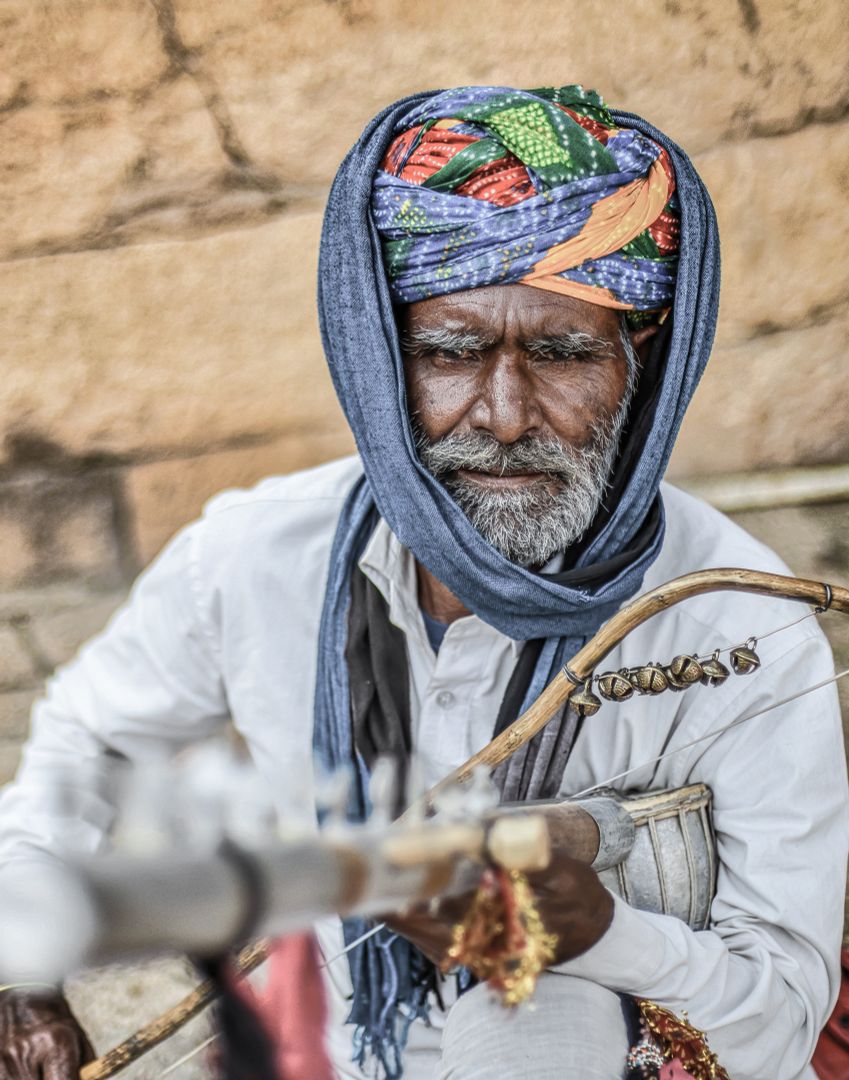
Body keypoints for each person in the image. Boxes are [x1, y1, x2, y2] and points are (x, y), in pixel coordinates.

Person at [0, 84, 846, 1080]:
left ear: (640, 355)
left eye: (564, 354)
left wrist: (609, 936)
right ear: (377, 361)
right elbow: (87, 749)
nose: (502, 413)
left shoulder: (735, 617)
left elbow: (786, 1018)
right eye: (449, 355)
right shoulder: (257, 556)